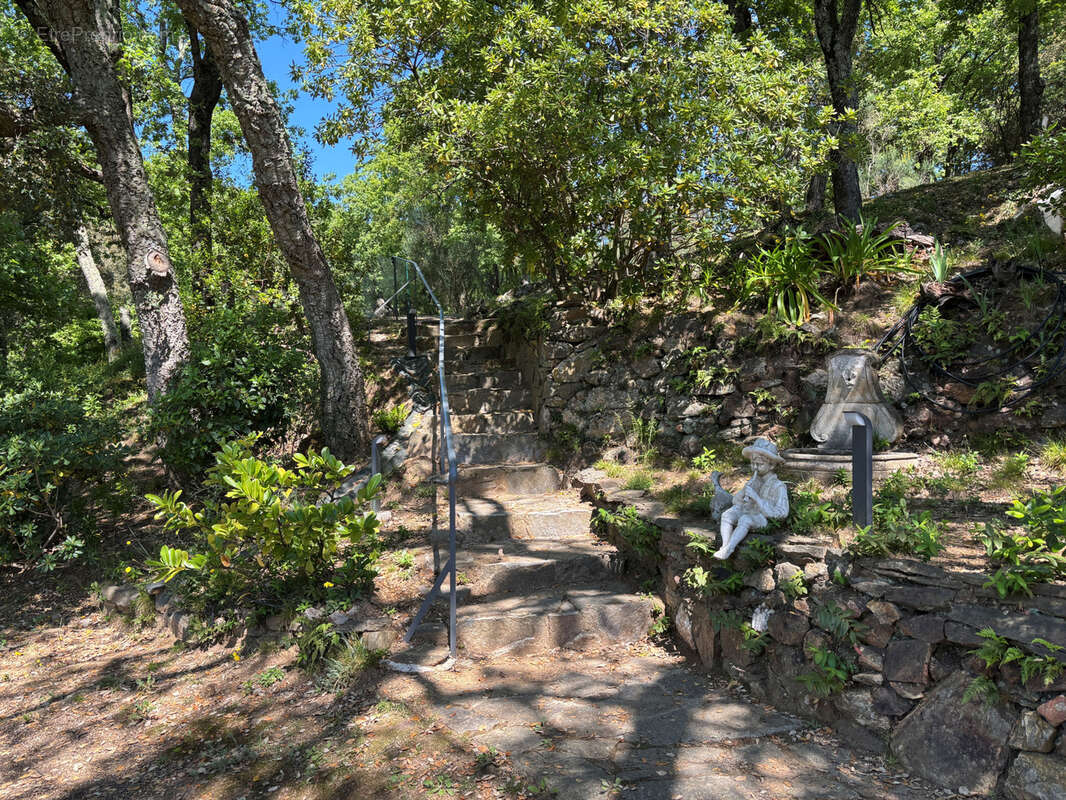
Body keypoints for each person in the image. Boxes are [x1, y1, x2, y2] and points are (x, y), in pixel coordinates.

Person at [714, 438, 789, 560]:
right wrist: (744, 492)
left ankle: (730, 548)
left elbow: (782, 513)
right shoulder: (753, 481)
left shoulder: (778, 486)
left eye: (759, 464)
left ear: (771, 465)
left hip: (762, 518)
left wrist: (756, 498)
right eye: (753, 463)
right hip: (749, 511)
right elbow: (735, 501)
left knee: (745, 519)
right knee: (727, 515)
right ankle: (724, 546)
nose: (754, 467)